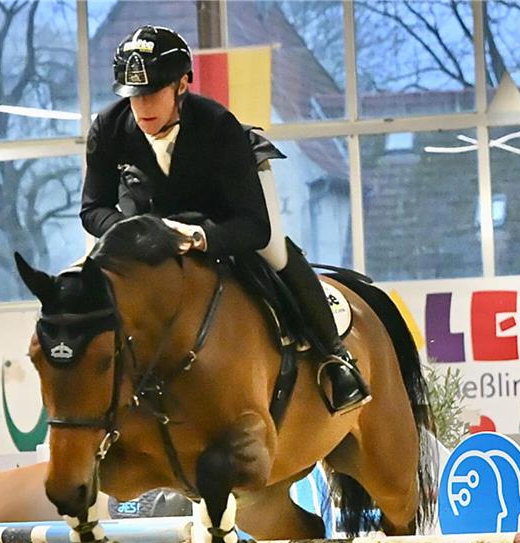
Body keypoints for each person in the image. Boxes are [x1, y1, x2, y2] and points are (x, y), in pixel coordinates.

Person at [80, 25, 369, 413]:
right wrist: (134, 233)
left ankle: (336, 359)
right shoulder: (108, 127)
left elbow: (254, 226)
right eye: (134, 95)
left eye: (153, 92)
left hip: (223, 215)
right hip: (146, 225)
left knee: (276, 253)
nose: (142, 106)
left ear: (182, 84)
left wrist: (200, 237)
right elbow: (92, 208)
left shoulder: (218, 126)